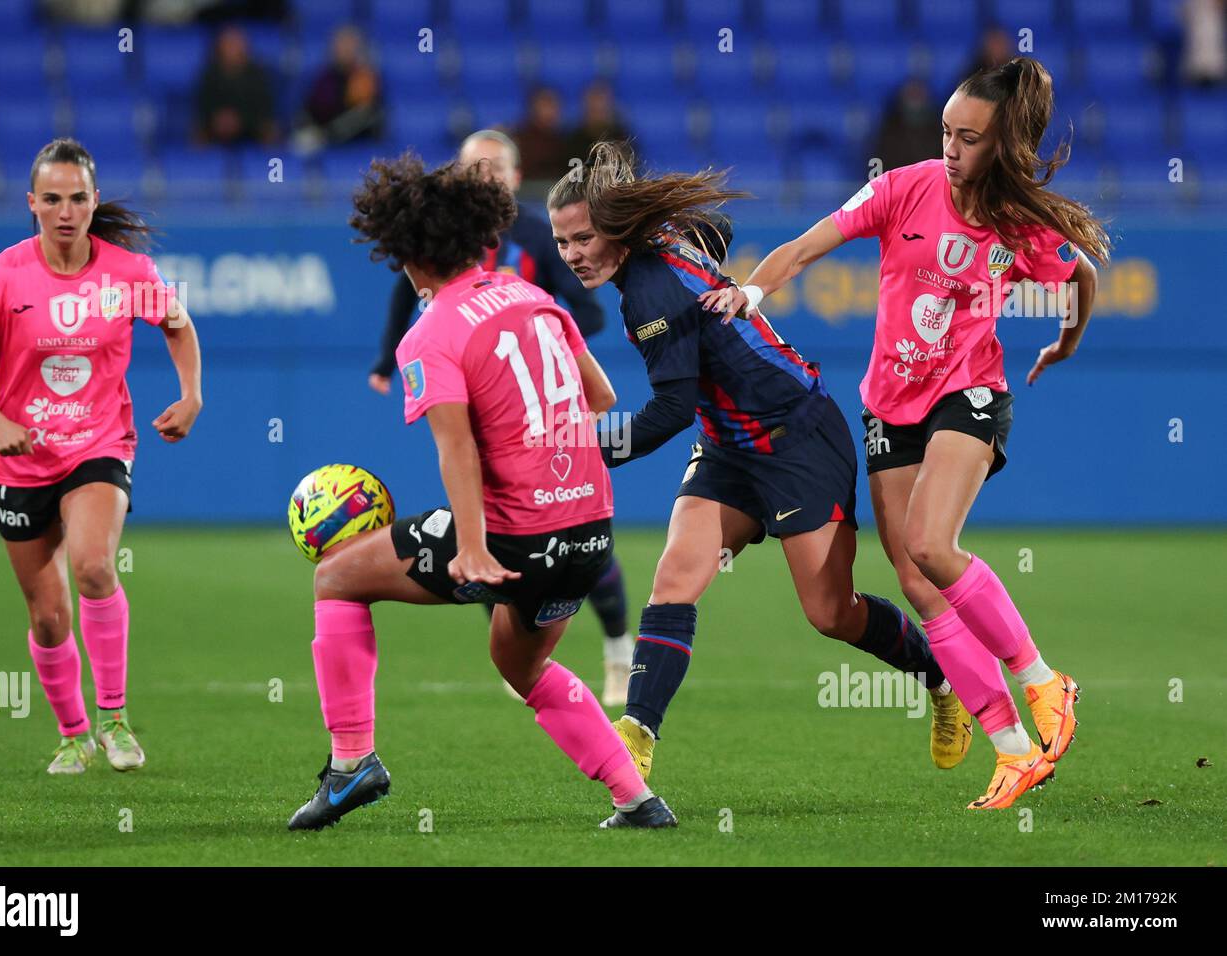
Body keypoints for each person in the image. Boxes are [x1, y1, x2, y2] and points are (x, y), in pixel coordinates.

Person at [702, 57, 1107, 810]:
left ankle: (1045, 681)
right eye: (947, 132)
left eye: (970, 138)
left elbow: (1080, 274)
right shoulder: (902, 186)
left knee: (929, 545)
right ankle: (1014, 750)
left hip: (970, 393)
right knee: (921, 588)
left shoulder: (1019, 223)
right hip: (891, 406)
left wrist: (1067, 340)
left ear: (1005, 145)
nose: (951, 149)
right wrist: (752, 290)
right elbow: (805, 244)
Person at [546, 142, 971, 784]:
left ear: (616, 229)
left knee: (832, 613)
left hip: (798, 436)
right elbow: (719, 229)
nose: (573, 254)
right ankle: (635, 739)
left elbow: (670, 411)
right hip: (728, 447)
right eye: (561, 242)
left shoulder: (649, 293)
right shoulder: (668, 238)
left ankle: (941, 685)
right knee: (675, 577)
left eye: (583, 238)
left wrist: (581, 452)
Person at [287, 153, 676, 831]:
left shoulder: (428, 332)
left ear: (406, 252)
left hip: (513, 535)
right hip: (590, 533)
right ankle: (636, 798)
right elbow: (603, 397)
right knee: (516, 663)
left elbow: (456, 447)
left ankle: (352, 765)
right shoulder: (535, 299)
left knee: (337, 578)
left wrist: (471, 546)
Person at [0, 138, 203, 774]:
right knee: (48, 614)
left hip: (99, 443)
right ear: (31, 203)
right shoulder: (2, 276)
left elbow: (177, 324)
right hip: (21, 458)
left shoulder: (128, 274)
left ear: (93, 201)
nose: (66, 211)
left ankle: (116, 720)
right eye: (52, 199)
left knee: (92, 567)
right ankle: (73, 733)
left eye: (78, 198)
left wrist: (192, 395)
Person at [368, 130, 633, 706]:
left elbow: (583, 307)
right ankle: (625, 781)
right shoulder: (463, 265)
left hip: (538, 418)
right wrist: (386, 358)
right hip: (553, 457)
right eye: (471, 168)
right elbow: (406, 298)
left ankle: (614, 651)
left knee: (339, 578)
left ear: (514, 180)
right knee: (545, 558)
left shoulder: (533, 245)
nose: (481, 177)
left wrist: (540, 354)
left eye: (491, 167)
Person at [298, 25, 385, 147]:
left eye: (349, 46)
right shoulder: (322, 79)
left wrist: (328, 135)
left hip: (360, 146)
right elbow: (308, 111)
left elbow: (369, 116)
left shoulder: (366, 79)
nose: (345, 50)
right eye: (341, 45)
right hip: (325, 146)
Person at [194, 25, 279, 146]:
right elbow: (203, 107)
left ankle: (268, 162)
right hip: (215, 127)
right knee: (198, 135)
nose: (232, 49)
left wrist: (241, 120)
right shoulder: (209, 75)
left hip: (251, 126)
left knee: (270, 131)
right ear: (219, 48)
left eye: (236, 44)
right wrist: (217, 119)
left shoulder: (258, 75)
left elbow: (264, 109)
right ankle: (200, 163)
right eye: (228, 44)